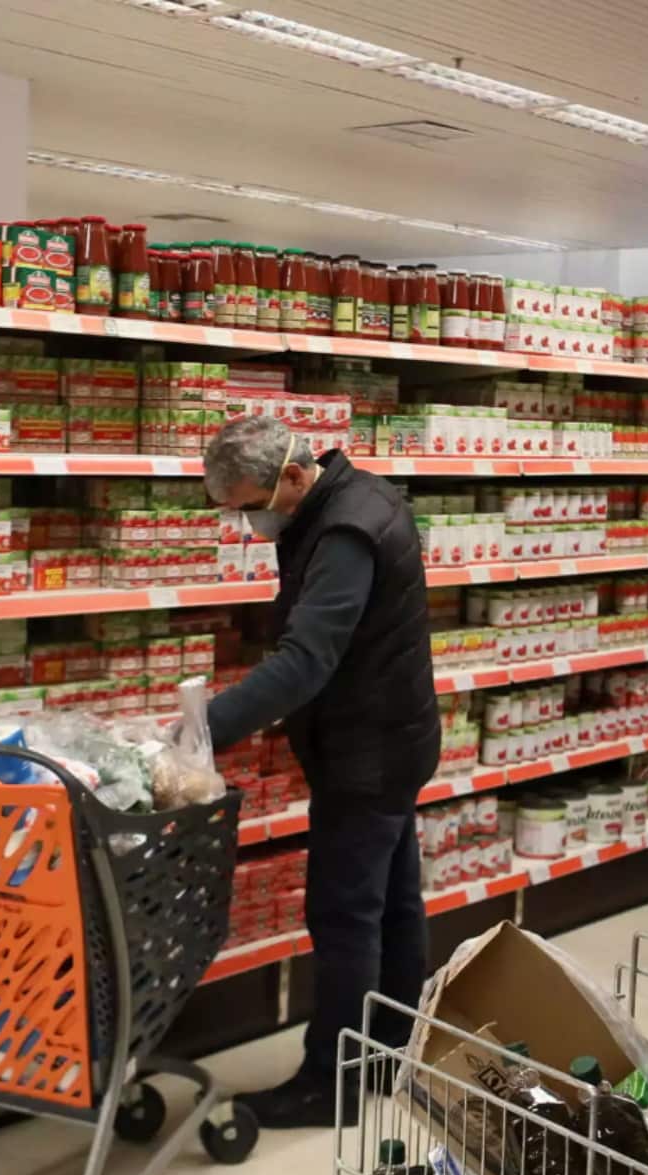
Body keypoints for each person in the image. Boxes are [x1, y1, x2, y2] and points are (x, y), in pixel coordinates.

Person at [199, 415, 442, 1128]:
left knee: (344, 915)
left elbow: (306, 661)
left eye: (250, 506)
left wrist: (201, 731)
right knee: (393, 904)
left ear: (293, 476)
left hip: (368, 752)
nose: (249, 524)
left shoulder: (345, 533)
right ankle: (390, 1053)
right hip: (391, 736)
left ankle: (327, 1086)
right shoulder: (358, 497)